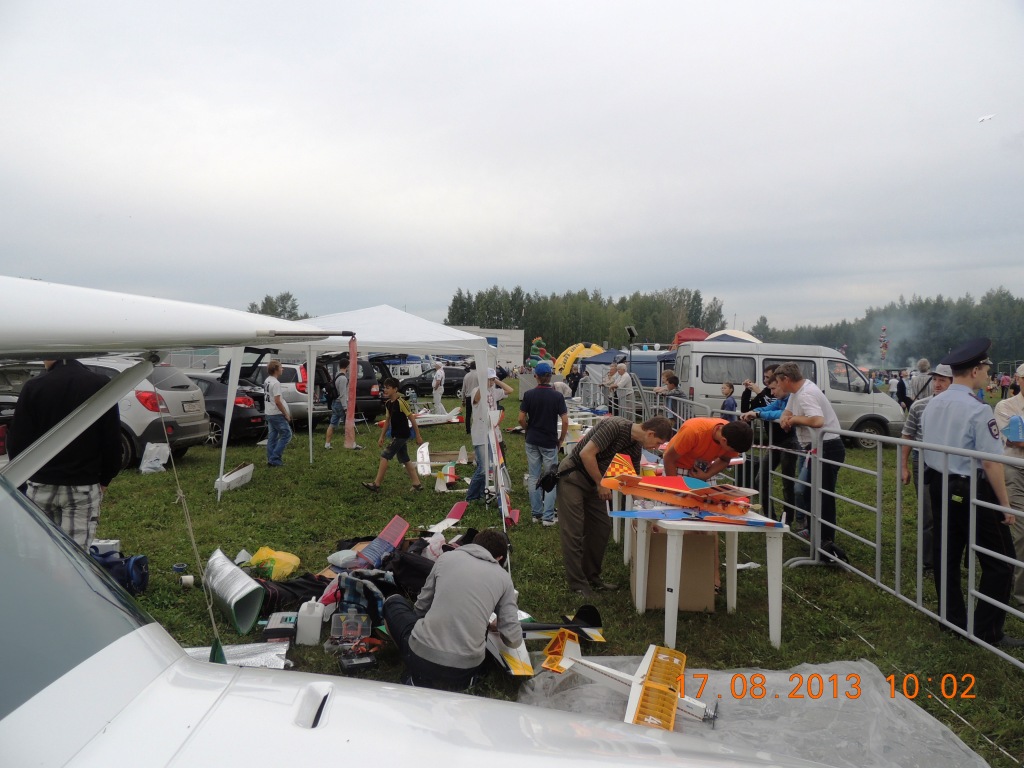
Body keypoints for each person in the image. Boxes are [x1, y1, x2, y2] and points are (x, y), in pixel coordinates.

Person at [922, 338, 1021, 648]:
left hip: (939, 483)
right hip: (971, 487)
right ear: (976, 370)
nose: (988, 374)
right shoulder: (979, 410)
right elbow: (991, 462)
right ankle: (987, 630)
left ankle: (950, 619)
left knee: (947, 553)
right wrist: (1004, 505)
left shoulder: (933, 402)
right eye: (986, 369)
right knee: (1001, 561)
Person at [382, 529, 520, 690]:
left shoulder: (446, 558)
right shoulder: (504, 578)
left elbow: (420, 609)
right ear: (500, 557)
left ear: (474, 544)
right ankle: (463, 683)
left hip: (422, 657)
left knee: (393, 602)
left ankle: (413, 669)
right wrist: (499, 625)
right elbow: (513, 639)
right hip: (467, 670)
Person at [8, 359, 121, 549]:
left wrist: (20, 482)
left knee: (40, 552)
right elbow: (111, 438)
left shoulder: (33, 387)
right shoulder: (99, 384)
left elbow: (17, 441)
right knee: (76, 556)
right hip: (83, 484)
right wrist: (106, 477)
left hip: (41, 483)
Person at [556, 416, 675, 596]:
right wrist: (601, 483)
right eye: (658, 443)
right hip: (573, 477)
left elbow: (631, 480)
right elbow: (586, 454)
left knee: (601, 528)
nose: (656, 448)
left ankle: (592, 576)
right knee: (574, 531)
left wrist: (645, 508)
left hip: (595, 483)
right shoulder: (614, 427)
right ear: (650, 433)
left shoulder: (635, 446)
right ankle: (578, 584)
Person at [774, 362, 846, 560]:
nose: (778, 386)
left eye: (779, 382)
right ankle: (815, 534)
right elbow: (787, 411)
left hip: (827, 448)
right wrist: (785, 419)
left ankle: (826, 542)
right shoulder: (797, 392)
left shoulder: (806, 394)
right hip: (814, 448)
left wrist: (794, 420)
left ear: (787, 379)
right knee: (808, 492)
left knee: (823, 496)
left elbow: (817, 420)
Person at [899, 363, 953, 570]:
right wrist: (904, 466)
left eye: (942, 380)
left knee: (951, 511)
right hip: (922, 461)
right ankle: (928, 560)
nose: (937, 384)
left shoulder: (958, 407)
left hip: (951, 464)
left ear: (953, 382)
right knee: (928, 512)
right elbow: (907, 435)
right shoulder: (919, 406)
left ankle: (948, 556)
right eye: (935, 380)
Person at [741, 372, 800, 522]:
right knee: (760, 478)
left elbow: (782, 414)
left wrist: (757, 414)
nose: (772, 393)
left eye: (774, 388)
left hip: (790, 442)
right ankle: (769, 516)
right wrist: (755, 412)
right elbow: (769, 409)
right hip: (775, 443)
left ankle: (788, 519)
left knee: (788, 482)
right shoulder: (780, 399)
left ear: (782, 384)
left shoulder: (793, 399)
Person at [519, 361, 568, 525]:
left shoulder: (529, 395)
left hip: (532, 440)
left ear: (536, 377)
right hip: (549, 441)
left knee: (533, 476)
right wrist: (561, 439)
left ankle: (536, 514)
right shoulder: (557, 396)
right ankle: (548, 516)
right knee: (551, 477)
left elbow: (520, 418)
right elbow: (565, 421)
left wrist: (528, 429)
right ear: (550, 377)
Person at [993, 362, 1024, 607]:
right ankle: (1020, 592)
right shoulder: (1005, 406)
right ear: (1018, 380)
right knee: (1021, 530)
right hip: (1015, 469)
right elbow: (1015, 440)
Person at [362, 377, 424, 492]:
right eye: (384, 388)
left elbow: (412, 418)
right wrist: (381, 436)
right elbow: (387, 421)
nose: (385, 390)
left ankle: (376, 484)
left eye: (388, 388)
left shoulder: (401, 402)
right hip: (396, 435)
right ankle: (417, 484)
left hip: (402, 435)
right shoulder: (388, 404)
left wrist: (418, 435)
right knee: (405, 459)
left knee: (385, 456)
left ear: (395, 389)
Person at [466, 369, 510, 504]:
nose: (491, 382)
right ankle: (471, 496)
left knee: (488, 467)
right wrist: (484, 383)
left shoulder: (493, 392)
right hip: (480, 434)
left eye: (492, 379)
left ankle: (480, 493)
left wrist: (496, 381)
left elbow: (509, 390)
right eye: (489, 379)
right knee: (483, 468)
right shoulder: (476, 390)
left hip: (492, 433)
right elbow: (477, 399)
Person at [662, 417, 753, 481]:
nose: (734, 453)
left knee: (708, 499)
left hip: (702, 469)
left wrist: (707, 475)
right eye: (732, 450)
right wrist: (674, 485)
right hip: (676, 466)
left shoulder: (734, 436)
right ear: (724, 440)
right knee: (674, 499)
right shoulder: (693, 431)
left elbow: (725, 460)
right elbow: (669, 459)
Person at [264, 359, 292, 467]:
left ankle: (270, 458)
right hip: (276, 413)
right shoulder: (276, 383)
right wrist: (285, 414)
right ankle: (274, 458)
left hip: (269, 412)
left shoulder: (267, 380)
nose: (282, 369)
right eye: (280, 367)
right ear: (276, 369)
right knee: (287, 435)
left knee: (272, 436)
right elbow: (277, 401)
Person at [324, 359, 357, 450]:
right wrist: (345, 408)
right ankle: (352, 444)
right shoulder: (343, 378)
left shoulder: (337, 375)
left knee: (332, 424)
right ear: (347, 366)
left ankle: (327, 444)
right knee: (350, 424)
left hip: (335, 403)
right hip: (341, 404)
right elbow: (342, 395)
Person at [461, 362, 478, 435]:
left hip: (468, 397)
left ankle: (468, 430)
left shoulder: (466, 376)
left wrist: (463, 400)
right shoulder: (479, 375)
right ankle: (476, 429)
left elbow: (463, 389)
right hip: (477, 397)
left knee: (468, 415)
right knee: (477, 414)